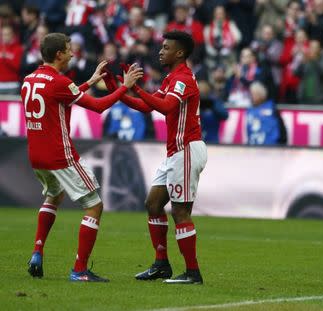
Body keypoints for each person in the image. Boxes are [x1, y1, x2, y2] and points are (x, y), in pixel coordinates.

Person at [22, 32, 143, 282]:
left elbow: (61, 97)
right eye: (68, 49)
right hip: (60, 156)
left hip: (36, 156)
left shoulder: (29, 79)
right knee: (94, 205)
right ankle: (79, 270)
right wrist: (125, 87)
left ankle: (37, 250)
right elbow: (98, 107)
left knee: (53, 196)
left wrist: (89, 81)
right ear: (58, 54)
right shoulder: (60, 82)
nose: (72, 52)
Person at [104, 31, 207, 284]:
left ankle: (192, 273)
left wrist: (136, 87)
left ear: (179, 53)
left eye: (165, 47)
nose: (160, 51)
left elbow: (166, 108)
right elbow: (147, 106)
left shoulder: (183, 79)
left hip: (186, 149)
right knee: (153, 204)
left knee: (180, 211)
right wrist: (117, 90)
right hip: (175, 152)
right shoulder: (171, 78)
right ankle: (162, 264)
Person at [246, 81, 286, 145]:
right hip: (254, 148)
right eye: (251, 94)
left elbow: (281, 128)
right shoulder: (250, 111)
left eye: (253, 94)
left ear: (260, 94)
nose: (252, 97)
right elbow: (248, 130)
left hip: (272, 148)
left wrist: (282, 144)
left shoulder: (271, 107)